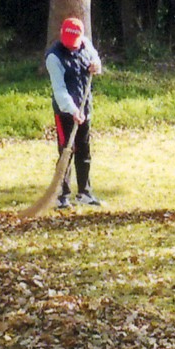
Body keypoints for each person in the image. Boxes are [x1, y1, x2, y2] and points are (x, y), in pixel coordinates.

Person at [45, 16, 104, 208]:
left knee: (84, 149)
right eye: (68, 43)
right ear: (62, 35)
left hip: (85, 106)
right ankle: (62, 195)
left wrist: (97, 65)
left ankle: (84, 193)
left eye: (75, 43)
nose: (72, 47)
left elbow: (95, 59)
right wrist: (72, 110)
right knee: (66, 152)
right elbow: (59, 90)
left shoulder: (85, 45)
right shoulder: (54, 57)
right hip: (65, 112)